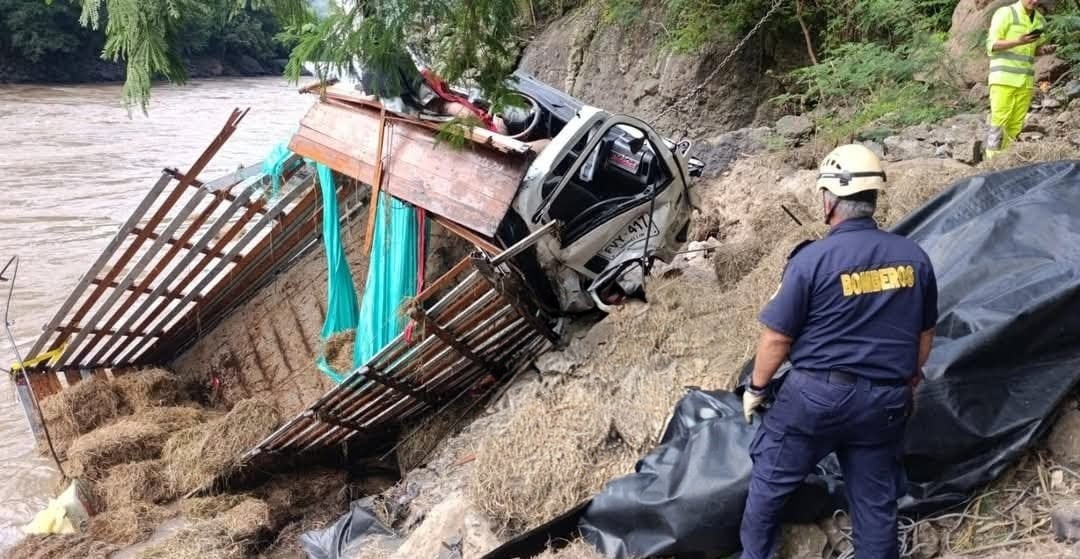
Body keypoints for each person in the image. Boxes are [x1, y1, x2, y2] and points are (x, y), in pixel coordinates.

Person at [739, 144, 938, 559]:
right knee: (875, 504)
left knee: (769, 484)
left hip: (816, 398)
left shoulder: (812, 260)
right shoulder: (914, 258)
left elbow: (776, 339)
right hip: (885, 400)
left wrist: (756, 388)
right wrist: (907, 379)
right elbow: (924, 337)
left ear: (829, 201)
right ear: (873, 198)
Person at [985, 0, 1057, 159]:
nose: (1035, 1)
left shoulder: (1039, 20)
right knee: (999, 122)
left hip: (1025, 80)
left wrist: (1043, 50)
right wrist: (1018, 41)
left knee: (1016, 124)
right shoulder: (1006, 13)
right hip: (1003, 78)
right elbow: (992, 45)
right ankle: (992, 161)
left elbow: (1034, 49)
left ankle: (1007, 159)